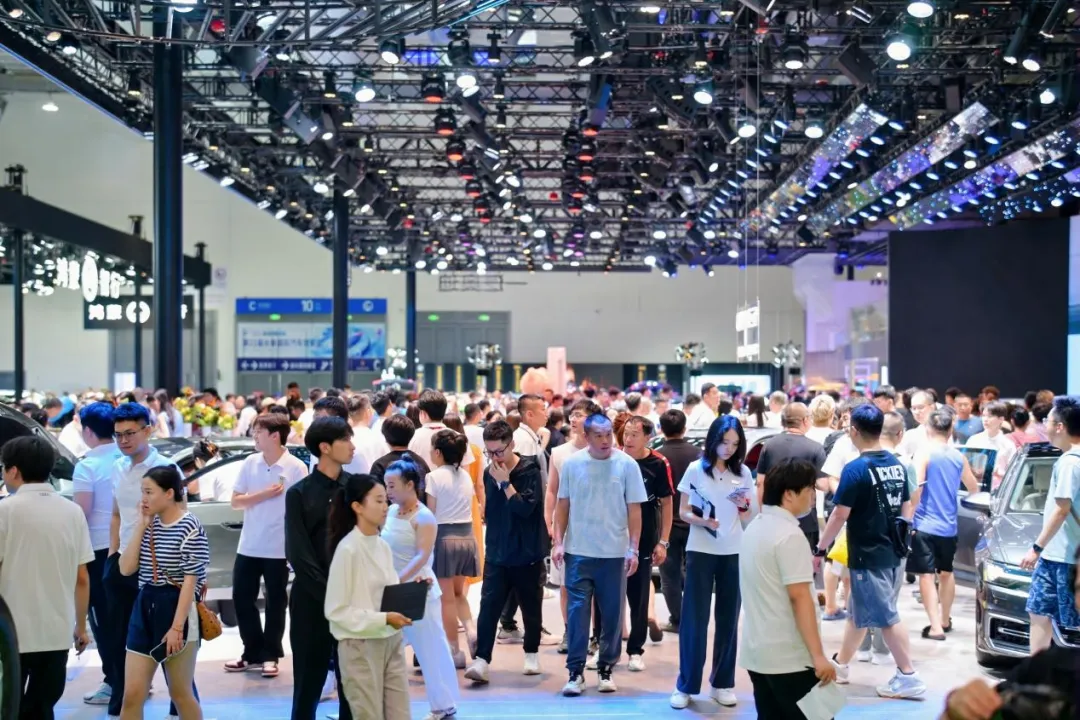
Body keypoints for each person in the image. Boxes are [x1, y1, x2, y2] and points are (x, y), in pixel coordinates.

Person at [815, 404, 926, 700]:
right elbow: (906, 507)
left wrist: (821, 547)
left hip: (869, 553)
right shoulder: (897, 464)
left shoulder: (855, 469)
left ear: (854, 431)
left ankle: (908, 675)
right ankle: (841, 665)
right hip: (892, 550)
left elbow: (839, 514)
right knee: (857, 612)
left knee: (886, 617)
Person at [104, 402, 192, 720]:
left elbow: (182, 515)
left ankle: (180, 705)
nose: (123, 440)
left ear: (148, 430)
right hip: (124, 563)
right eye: (118, 435)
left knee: (171, 643)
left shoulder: (166, 467)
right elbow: (116, 514)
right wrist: (113, 554)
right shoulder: (117, 467)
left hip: (161, 568)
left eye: (130, 433)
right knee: (121, 641)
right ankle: (122, 701)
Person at [553, 412, 647, 697]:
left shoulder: (627, 465)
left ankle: (606, 668)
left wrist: (633, 548)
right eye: (599, 436)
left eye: (608, 435)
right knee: (577, 614)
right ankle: (575, 672)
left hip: (614, 554)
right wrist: (558, 542)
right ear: (586, 436)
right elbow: (562, 505)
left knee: (612, 614)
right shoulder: (572, 464)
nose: (606, 441)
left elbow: (634, 509)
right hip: (578, 552)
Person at [0, 436, 93, 720]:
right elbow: (81, 577)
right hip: (56, 630)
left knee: (9, 708)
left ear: (14, 471)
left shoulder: (4, 511)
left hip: (10, 634)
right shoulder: (72, 512)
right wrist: (81, 627)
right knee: (42, 708)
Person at [670, 415, 757, 710]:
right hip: (700, 549)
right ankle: (685, 684)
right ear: (713, 440)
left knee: (729, 619)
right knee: (694, 619)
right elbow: (683, 511)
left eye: (734, 443)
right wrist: (703, 520)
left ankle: (722, 683)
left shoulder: (743, 473)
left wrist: (744, 507)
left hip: (734, 551)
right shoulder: (696, 469)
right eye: (724, 442)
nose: (728, 448)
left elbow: (748, 515)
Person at [740, 459, 836, 719]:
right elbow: (798, 597)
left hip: (758, 653)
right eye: (809, 489)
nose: (813, 496)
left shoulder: (755, 527)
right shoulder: (790, 536)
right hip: (789, 658)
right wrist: (818, 656)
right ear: (789, 494)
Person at [116, 465, 208, 720]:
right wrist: (141, 526)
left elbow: (190, 582)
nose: (143, 498)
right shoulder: (149, 524)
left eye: (149, 492)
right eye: (142, 492)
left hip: (177, 607)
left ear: (169, 493)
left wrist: (177, 627)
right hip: (145, 605)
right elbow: (125, 569)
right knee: (131, 694)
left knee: (180, 693)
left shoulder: (190, 526)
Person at [225, 413, 308, 677]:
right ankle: (251, 652)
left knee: (275, 601)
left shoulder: (296, 467)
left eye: (258, 432)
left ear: (274, 436)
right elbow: (236, 501)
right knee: (241, 598)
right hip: (249, 544)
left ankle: (271, 654)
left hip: (279, 547)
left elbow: (301, 512)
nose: (254, 436)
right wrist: (264, 494)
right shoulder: (250, 462)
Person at [466, 420, 549, 683]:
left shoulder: (529, 469)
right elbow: (492, 511)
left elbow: (525, 509)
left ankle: (531, 652)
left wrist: (505, 484)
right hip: (498, 552)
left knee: (531, 606)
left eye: (499, 451)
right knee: (488, 607)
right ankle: (482, 659)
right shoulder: (489, 471)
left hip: (527, 552)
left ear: (511, 444)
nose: (494, 458)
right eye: (489, 452)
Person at [325, 473, 413, 720]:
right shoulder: (348, 549)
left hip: (391, 640)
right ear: (357, 507)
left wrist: (412, 593)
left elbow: (386, 596)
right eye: (378, 500)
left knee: (400, 715)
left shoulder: (382, 545)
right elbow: (336, 611)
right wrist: (383, 619)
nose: (385, 507)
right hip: (360, 646)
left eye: (386, 500)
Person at [286, 417, 355, 720]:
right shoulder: (298, 493)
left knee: (353, 683)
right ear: (325, 447)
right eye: (346, 440)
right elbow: (297, 552)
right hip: (311, 599)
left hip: (352, 597)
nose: (352, 446)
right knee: (307, 682)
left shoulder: (357, 488)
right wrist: (328, 594)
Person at [382, 455, 459, 719]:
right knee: (382, 649)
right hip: (393, 590)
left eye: (392, 485)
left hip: (418, 591)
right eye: (386, 486)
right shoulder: (390, 512)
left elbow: (422, 556)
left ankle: (444, 705)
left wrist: (397, 579)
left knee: (430, 650)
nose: (388, 491)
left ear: (410, 485)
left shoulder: (424, 517)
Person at [907, 409, 979, 641]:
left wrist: (909, 515)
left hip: (924, 525)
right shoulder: (959, 457)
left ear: (928, 429)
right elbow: (973, 487)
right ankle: (946, 620)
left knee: (926, 575)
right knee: (946, 573)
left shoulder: (923, 454)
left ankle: (935, 627)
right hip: (949, 527)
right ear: (950, 431)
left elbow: (917, 487)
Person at [1019, 394, 1080, 654]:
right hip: (1060, 555)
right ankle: (1038, 668)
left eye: (1048, 421)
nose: (1044, 426)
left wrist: (1036, 548)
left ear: (1060, 426)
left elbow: (1061, 510)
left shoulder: (1070, 463)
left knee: (1055, 618)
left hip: (1064, 557)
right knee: (1039, 612)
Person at [71, 401, 121, 707]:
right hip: (129, 548)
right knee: (125, 618)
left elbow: (81, 513)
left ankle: (113, 682)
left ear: (88, 431)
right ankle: (129, 678)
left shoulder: (87, 465)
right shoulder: (126, 457)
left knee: (103, 620)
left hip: (98, 551)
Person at [545, 398, 601, 652]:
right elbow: (551, 490)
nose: (574, 419)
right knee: (566, 583)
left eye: (580, 414)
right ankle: (570, 632)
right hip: (566, 527)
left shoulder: (603, 451)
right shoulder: (559, 453)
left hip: (596, 526)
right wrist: (549, 521)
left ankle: (595, 635)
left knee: (596, 586)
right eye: (573, 415)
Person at [618, 416, 673, 671]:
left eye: (634, 435)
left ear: (647, 437)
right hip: (613, 538)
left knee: (639, 597)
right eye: (626, 434)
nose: (628, 439)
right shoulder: (614, 459)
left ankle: (635, 650)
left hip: (644, 540)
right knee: (606, 596)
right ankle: (603, 647)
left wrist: (663, 541)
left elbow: (667, 503)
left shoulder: (658, 463)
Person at [426, 429, 482, 667]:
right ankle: (471, 630)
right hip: (467, 537)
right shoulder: (465, 476)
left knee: (446, 599)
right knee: (459, 594)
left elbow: (430, 514)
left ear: (438, 453)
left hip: (444, 539)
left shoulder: (433, 477)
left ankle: (454, 651)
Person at [754, 403, 827, 552]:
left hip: (773, 518)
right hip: (805, 519)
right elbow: (823, 484)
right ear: (805, 420)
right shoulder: (815, 448)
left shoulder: (768, 445)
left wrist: (762, 513)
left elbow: (760, 482)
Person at [655, 409, 699, 633]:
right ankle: (694, 618)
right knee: (695, 574)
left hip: (666, 525)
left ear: (661, 429)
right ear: (684, 428)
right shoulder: (699, 455)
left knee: (669, 575)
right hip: (695, 522)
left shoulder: (656, 456)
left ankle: (678, 619)